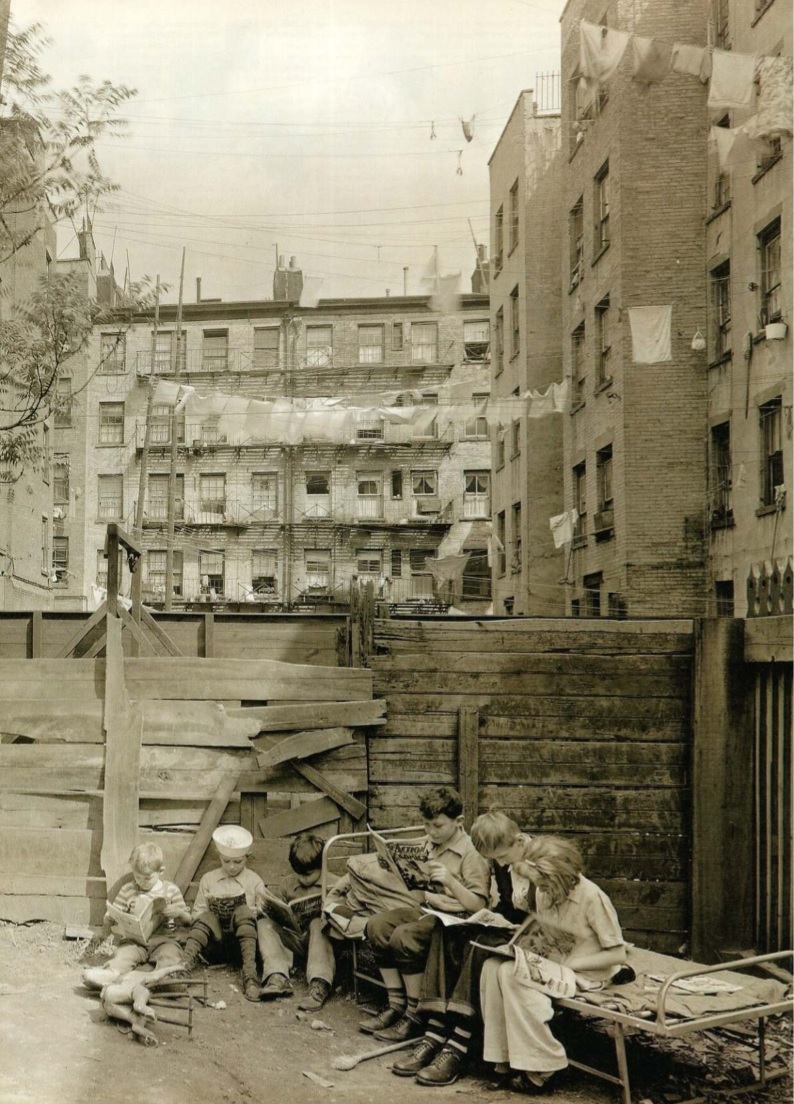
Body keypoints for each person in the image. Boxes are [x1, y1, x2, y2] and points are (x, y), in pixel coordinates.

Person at [476, 817, 626, 1094]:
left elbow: (618, 953)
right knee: (492, 966)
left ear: (559, 875)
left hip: (587, 972)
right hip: (555, 966)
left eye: (544, 886)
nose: (541, 892)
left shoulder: (592, 897)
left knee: (512, 976)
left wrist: (572, 963)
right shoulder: (547, 893)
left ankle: (545, 1064)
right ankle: (504, 1058)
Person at [361, 786, 490, 1044]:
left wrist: (452, 882)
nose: (430, 832)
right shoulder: (429, 845)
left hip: (454, 923)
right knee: (376, 925)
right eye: (426, 825)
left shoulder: (471, 853)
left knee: (404, 936)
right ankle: (395, 1004)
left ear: (458, 822)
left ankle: (415, 1013)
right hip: (427, 909)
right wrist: (396, 868)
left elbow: (478, 905)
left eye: (437, 826)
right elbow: (419, 895)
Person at [391, 859, 526, 1086]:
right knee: (446, 930)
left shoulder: (537, 864)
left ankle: (458, 1045)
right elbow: (502, 902)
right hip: (503, 924)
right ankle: (434, 1033)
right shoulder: (503, 861)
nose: (498, 861)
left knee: (481, 945)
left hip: (526, 938)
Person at [181, 825, 268, 1002]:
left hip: (243, 946)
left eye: (238, 862)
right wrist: (212, 912)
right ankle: (182, 968)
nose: (232, 867)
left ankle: (250, 977)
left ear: (247, 858)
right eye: (226, 861)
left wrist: (254, 912)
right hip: (215, 947)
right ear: (219, 856)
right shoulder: (208, 879)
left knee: (243, 911)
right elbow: (197, 914)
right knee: (206, 916)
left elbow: (266, 914)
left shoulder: (254, 881)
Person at [89, 842, 191, 980]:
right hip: (134, 942)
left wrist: (178, 912)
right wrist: (111, 917)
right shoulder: (128, 890)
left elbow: (188, 920)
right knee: (122, 955)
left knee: (170, 956)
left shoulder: (171, 890)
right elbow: (116, 912)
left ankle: (165, 981)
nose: (142, 882)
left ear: (161, 871)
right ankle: (111, 975)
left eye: (147, 878)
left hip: (165, 941)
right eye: (137, 877)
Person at [258, 832, 336, 1010]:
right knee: (265, 924)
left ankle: (319, 982)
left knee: (317, 923)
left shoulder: (334, 884)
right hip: (296, 941)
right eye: (298, 873)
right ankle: (277, 975)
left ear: (322, 866)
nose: (302, 879)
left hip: (323, 943)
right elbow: (279, 912)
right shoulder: (287, 884)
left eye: (307, 874)